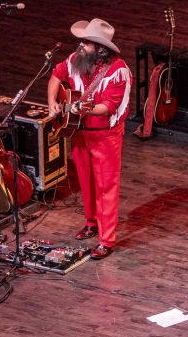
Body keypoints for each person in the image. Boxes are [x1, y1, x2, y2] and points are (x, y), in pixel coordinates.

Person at [47, 18, 132, 260]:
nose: (80, 45)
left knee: (106, 186)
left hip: (105, 137)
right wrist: (53, 102)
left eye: (86, 42)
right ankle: (91, 222)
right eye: (82, 41)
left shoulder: (118, 71)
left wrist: (83, 109)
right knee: (86, 181)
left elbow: (107, 107)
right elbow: (55, 77)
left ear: (101, 49)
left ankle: (106, 240)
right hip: (79, 132)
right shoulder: (76, 59)